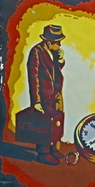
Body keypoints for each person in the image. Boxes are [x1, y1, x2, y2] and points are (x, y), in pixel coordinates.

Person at [27, 24, 66, 165]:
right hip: (44, 95)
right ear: (49, 42)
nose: (60, 45)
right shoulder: (36, 52)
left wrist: (60, 60)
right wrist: (36, 101)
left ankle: (54, 148)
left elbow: (56, 69)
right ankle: (44, 153)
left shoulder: (53, 51)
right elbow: (34, 78)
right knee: (44, 124)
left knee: (56, 121)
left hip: (56, 93)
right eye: (58, 42)